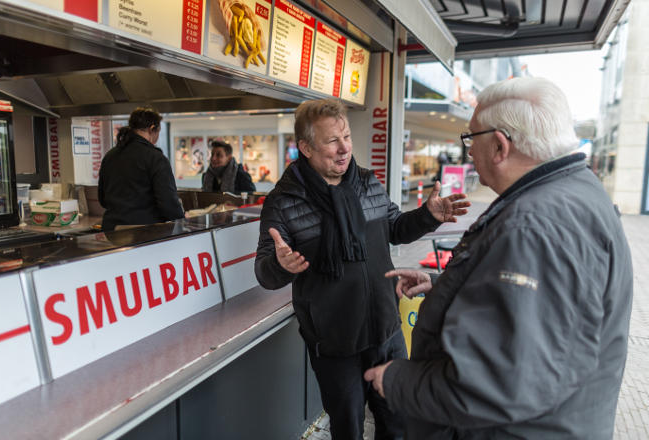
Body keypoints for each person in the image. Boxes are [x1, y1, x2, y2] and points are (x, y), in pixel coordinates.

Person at [364, 77, 633, 439]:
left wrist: (396, 380)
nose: (469, 152)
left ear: (500, 146)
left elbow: (495, 381)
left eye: (471, 138)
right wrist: (447, 286)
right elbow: (543, 307)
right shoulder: (576, 194)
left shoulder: (535, 226)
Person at [254, 98, 470, 440]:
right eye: (332, 141)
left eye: (347, 137)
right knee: (349, 428)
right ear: (306, 147)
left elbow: (396, 227)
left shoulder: (368, 183)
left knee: (397, 422)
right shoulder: (285, 200)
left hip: (386, 329)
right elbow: (264, 272)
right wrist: (280, 266)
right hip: (334, 341)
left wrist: (428, 216)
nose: (344, 149)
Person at [98, 107, 184, 231]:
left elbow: (102, 199)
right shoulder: (156, 158)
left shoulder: (110, 155)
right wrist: (182, 220)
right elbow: (168, 203)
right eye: (158, 132)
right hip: (143, 233)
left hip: (112, 231)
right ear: (152, 129)